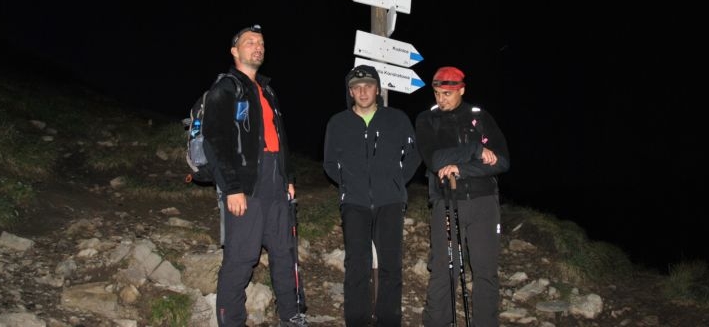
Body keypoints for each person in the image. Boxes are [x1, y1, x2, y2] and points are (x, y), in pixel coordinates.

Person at [203, 24, 308, 327]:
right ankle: (232, 321)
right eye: (250, 42)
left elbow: (280, 138)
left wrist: (288, 177)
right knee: (241, 257)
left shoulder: (268, 91)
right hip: (246, 185)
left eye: (261, 43)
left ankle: (291, 316)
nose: (258, 47)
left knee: (285, 253)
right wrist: (232, 187)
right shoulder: (226, 88)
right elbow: (215, 140)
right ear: (234, 51)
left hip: (276, 182)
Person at [323, 64, 422, 327]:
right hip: (354, 202)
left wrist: (396, 181)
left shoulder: (396, 119)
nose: (363, 91)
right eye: (357, 87)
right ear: (350, 92)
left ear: (377, 89)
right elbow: (329, 163)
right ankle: (357, 320)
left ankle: (388, 320)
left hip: (390, 200)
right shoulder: (338, 122)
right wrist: (348, 184)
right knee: (357, 264)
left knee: (391, 265)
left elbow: (414, 154)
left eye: (368, 86)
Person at [415, 66, 510, 327]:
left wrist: (461, 168)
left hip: (484, 202)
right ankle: (437, 322)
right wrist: (476, 150)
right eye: (437, 93)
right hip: (446, 201)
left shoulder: (480, 117)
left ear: (462, 90)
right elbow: (435, 160)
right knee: (444, 268)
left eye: (447, 93)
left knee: (485, 270)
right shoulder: (427, 119)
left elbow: (502, 161)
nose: (441, 99)